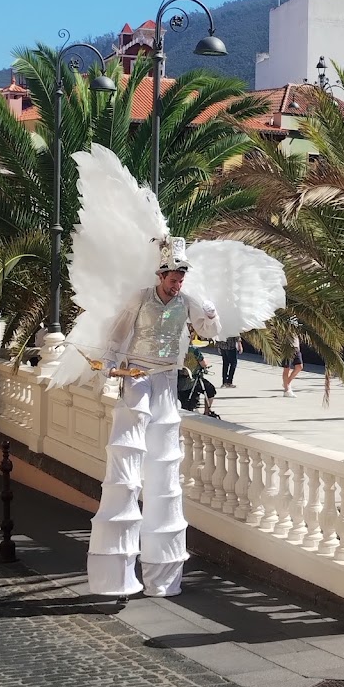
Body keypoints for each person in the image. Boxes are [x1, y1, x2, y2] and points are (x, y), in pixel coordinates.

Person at [87, 237, 221, 599]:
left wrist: (210, 314)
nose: (177, 281)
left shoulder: (187, 301)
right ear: (161, 274)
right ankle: (114, 576)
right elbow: (118, 335)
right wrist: (109, 371)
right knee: (127, 460)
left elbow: (209, 333)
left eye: (181, 276)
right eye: (173, 276)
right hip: (137, 376)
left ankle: (163, 578)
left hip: (165, 379)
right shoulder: (140, 297)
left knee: (164, 467)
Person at [281, 328, 303, 398]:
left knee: (299, 366)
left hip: (296, 346)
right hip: (286, 346)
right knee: (287, 368)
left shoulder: (295, 319)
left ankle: (286, 383)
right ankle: (287, 390)